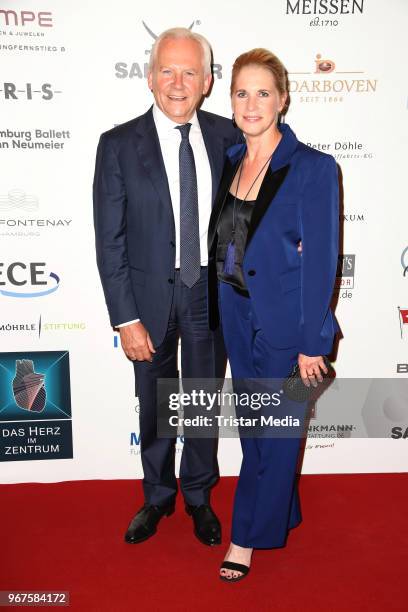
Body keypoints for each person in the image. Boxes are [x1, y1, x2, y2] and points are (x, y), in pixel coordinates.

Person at [93, 28, 240, 546]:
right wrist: (125, 318)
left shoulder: (230, 139)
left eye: (189, 72)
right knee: (156, 406)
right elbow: (109, 240)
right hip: (148, 303)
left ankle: (198, 497)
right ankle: (157, 496)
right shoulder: (117, 145)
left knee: (200, 401)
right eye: (167, 70)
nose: (177, 83)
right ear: (150, 76)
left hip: (210, 297)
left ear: (207, 81)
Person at [207, 48, 339, 581]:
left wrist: (314, 343)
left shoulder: (313, 168)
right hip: (237, 316)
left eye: (264, 92)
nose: (252, 102)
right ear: (231, 100)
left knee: (275, 432)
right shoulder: (231, 160)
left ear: (283, 99)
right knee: (258, 428)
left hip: (290, 327)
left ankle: (245, 537)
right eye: (242, 92)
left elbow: (323, 262)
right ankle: (281, 508)